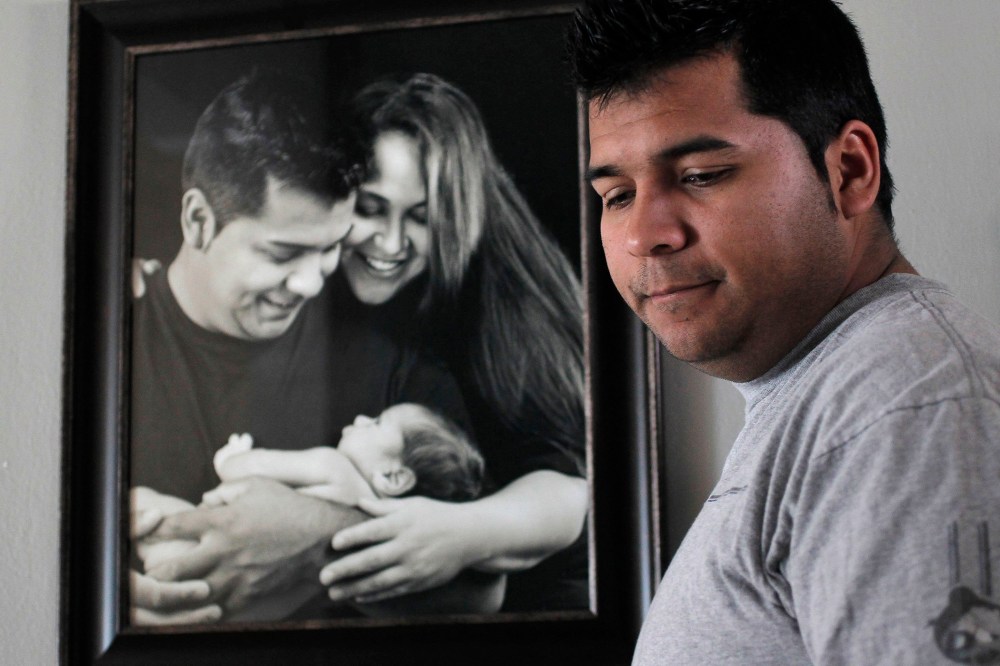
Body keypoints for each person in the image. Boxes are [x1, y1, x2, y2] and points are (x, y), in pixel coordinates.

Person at [568, 0, 1000, 663]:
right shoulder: (834, 398)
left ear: (850, 171)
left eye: (701, 176)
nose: (644, 236)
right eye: (617, 195)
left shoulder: (903, 405)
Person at [128, 68, 489, 625]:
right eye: (282, 253)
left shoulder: (393, 371)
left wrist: (324, 534)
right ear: (198, 220)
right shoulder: (99, 340)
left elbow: (480, 596)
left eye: (328, 249)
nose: (311, 283)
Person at [317, 73, 590, 611]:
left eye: (422, 219)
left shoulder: (507, 308)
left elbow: (568, 494)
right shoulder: (319, 275)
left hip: (538, 608)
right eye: (370, 208)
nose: (390, 243)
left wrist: (456, 534)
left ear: (456, 214)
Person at [134, 403, 486, 621]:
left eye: (377, 422)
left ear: (394, 477)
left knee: (141, 500)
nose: (362, 417)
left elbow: (240, 471)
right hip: (247, 608)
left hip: (197, 553)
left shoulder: (332, 465)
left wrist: (233, 455)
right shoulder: (380, 538)